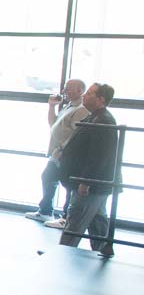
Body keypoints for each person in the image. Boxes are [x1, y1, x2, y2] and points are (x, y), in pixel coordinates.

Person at [58, 83, 118, 257]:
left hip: (91, 184)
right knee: (97, 220)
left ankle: (62, 253)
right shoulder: (95, 117)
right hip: (95, 183)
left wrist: (86, 181)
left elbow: (99, 156)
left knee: (76, 218)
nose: (85, 95)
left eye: (90, 93)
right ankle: (103, 250)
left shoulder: (104, 120)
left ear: (101, 99)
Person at [25, 78, 87, 225]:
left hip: (66, 155)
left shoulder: (81, 110)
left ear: (80, 91)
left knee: (68, 185)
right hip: (57, 154)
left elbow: (75, 134)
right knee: (48, 177)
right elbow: (54, 124)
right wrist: (52, 106)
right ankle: (46, 211)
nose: (65, 91)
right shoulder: (69, 106)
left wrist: (62, 149)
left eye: (68, 88)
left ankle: (66, 218)